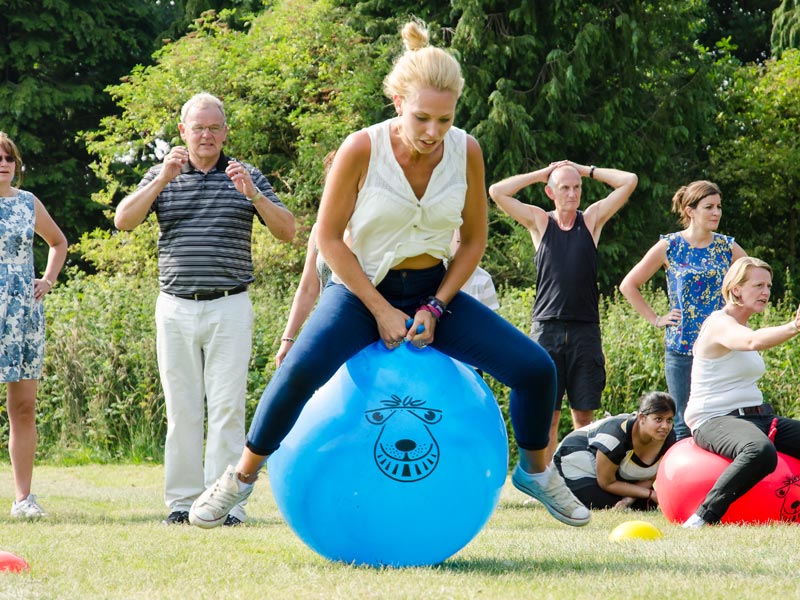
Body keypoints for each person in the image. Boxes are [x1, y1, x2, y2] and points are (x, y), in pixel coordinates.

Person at [188, 20, 590, 530]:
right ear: (397, 101)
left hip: (431, 289)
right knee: (298, 371)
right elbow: (330, 239)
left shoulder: (466, 151)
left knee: (536, 371)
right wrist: (379, 309)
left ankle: (535, 471)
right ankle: (240, 478)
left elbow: (472, 242)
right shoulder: (361, 148)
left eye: (444, 120)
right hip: (360, 292)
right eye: (422, 118)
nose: (432, 132)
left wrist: (437, 305)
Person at [114, 93, 295, 526]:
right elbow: (123, 220)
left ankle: (224, 503)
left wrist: (253, 195)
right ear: (183, 131)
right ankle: (181, 503)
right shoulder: (162, 173)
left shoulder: (245, 174)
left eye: (214, 128)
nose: (206, 135)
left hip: (230, 305)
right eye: (198, 128)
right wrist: (161, 180)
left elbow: (287, 231)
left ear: (225, 132)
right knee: (182, 409)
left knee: (229, 408)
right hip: (175, 306)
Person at [489, 160, 638, 462]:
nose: (572, 193)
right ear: (550, 192)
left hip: (585, 330)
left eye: (576, 188)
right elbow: (497, 192)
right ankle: (544, 478)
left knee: (584, 416)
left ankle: (580, 476)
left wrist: (585, 170)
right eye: (565, 188)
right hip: (546, 329)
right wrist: (541, 173)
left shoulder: (592, 220)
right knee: (548, 415)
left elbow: (629, 181)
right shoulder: (540, 222)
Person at [619, 181, 746, 440]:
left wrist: (740, 317)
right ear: (690, 211)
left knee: (724, 416)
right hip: (681, 347)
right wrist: (656, 318)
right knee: (682, 422)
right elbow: (628, 285)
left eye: (719, 207)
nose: (717, 213)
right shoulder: (670, 246)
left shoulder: (727, 247)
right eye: (709, 207)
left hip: (721, 349)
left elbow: (753, 281)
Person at [681, 257, 800, 528]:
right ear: (736, 289)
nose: (766, 292)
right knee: (760, 451)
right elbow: (752, 341)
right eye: (758, 285)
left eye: (768, 286)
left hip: (756, 417)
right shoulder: (718, 324)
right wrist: (794, 326)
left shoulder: (744, 325)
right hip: (713, 420)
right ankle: (702, 517)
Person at [0, 132, 68, 518]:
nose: (3, 163)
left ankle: (23, 499)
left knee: (23, 407)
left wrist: (47, 279)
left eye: (8, 157)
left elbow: (58, 242)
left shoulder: (28, 204)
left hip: (23, 315)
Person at [553, 391, 676, 510]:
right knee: (606, 503)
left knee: (645, 506)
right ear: (642, 418)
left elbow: (649, 477)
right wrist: (651, 494)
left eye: (669, 420)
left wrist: (629, 499)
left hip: (612, 475)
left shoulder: (668, 438)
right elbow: (607, 483)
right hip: (574, 459)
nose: (665, 426)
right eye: (658, 419)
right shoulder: (614, 437)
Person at [274, 223, 332, 367]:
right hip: (327, 328)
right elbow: (307, 289)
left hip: (367, 329)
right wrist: (288, 339)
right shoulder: (320, 228)